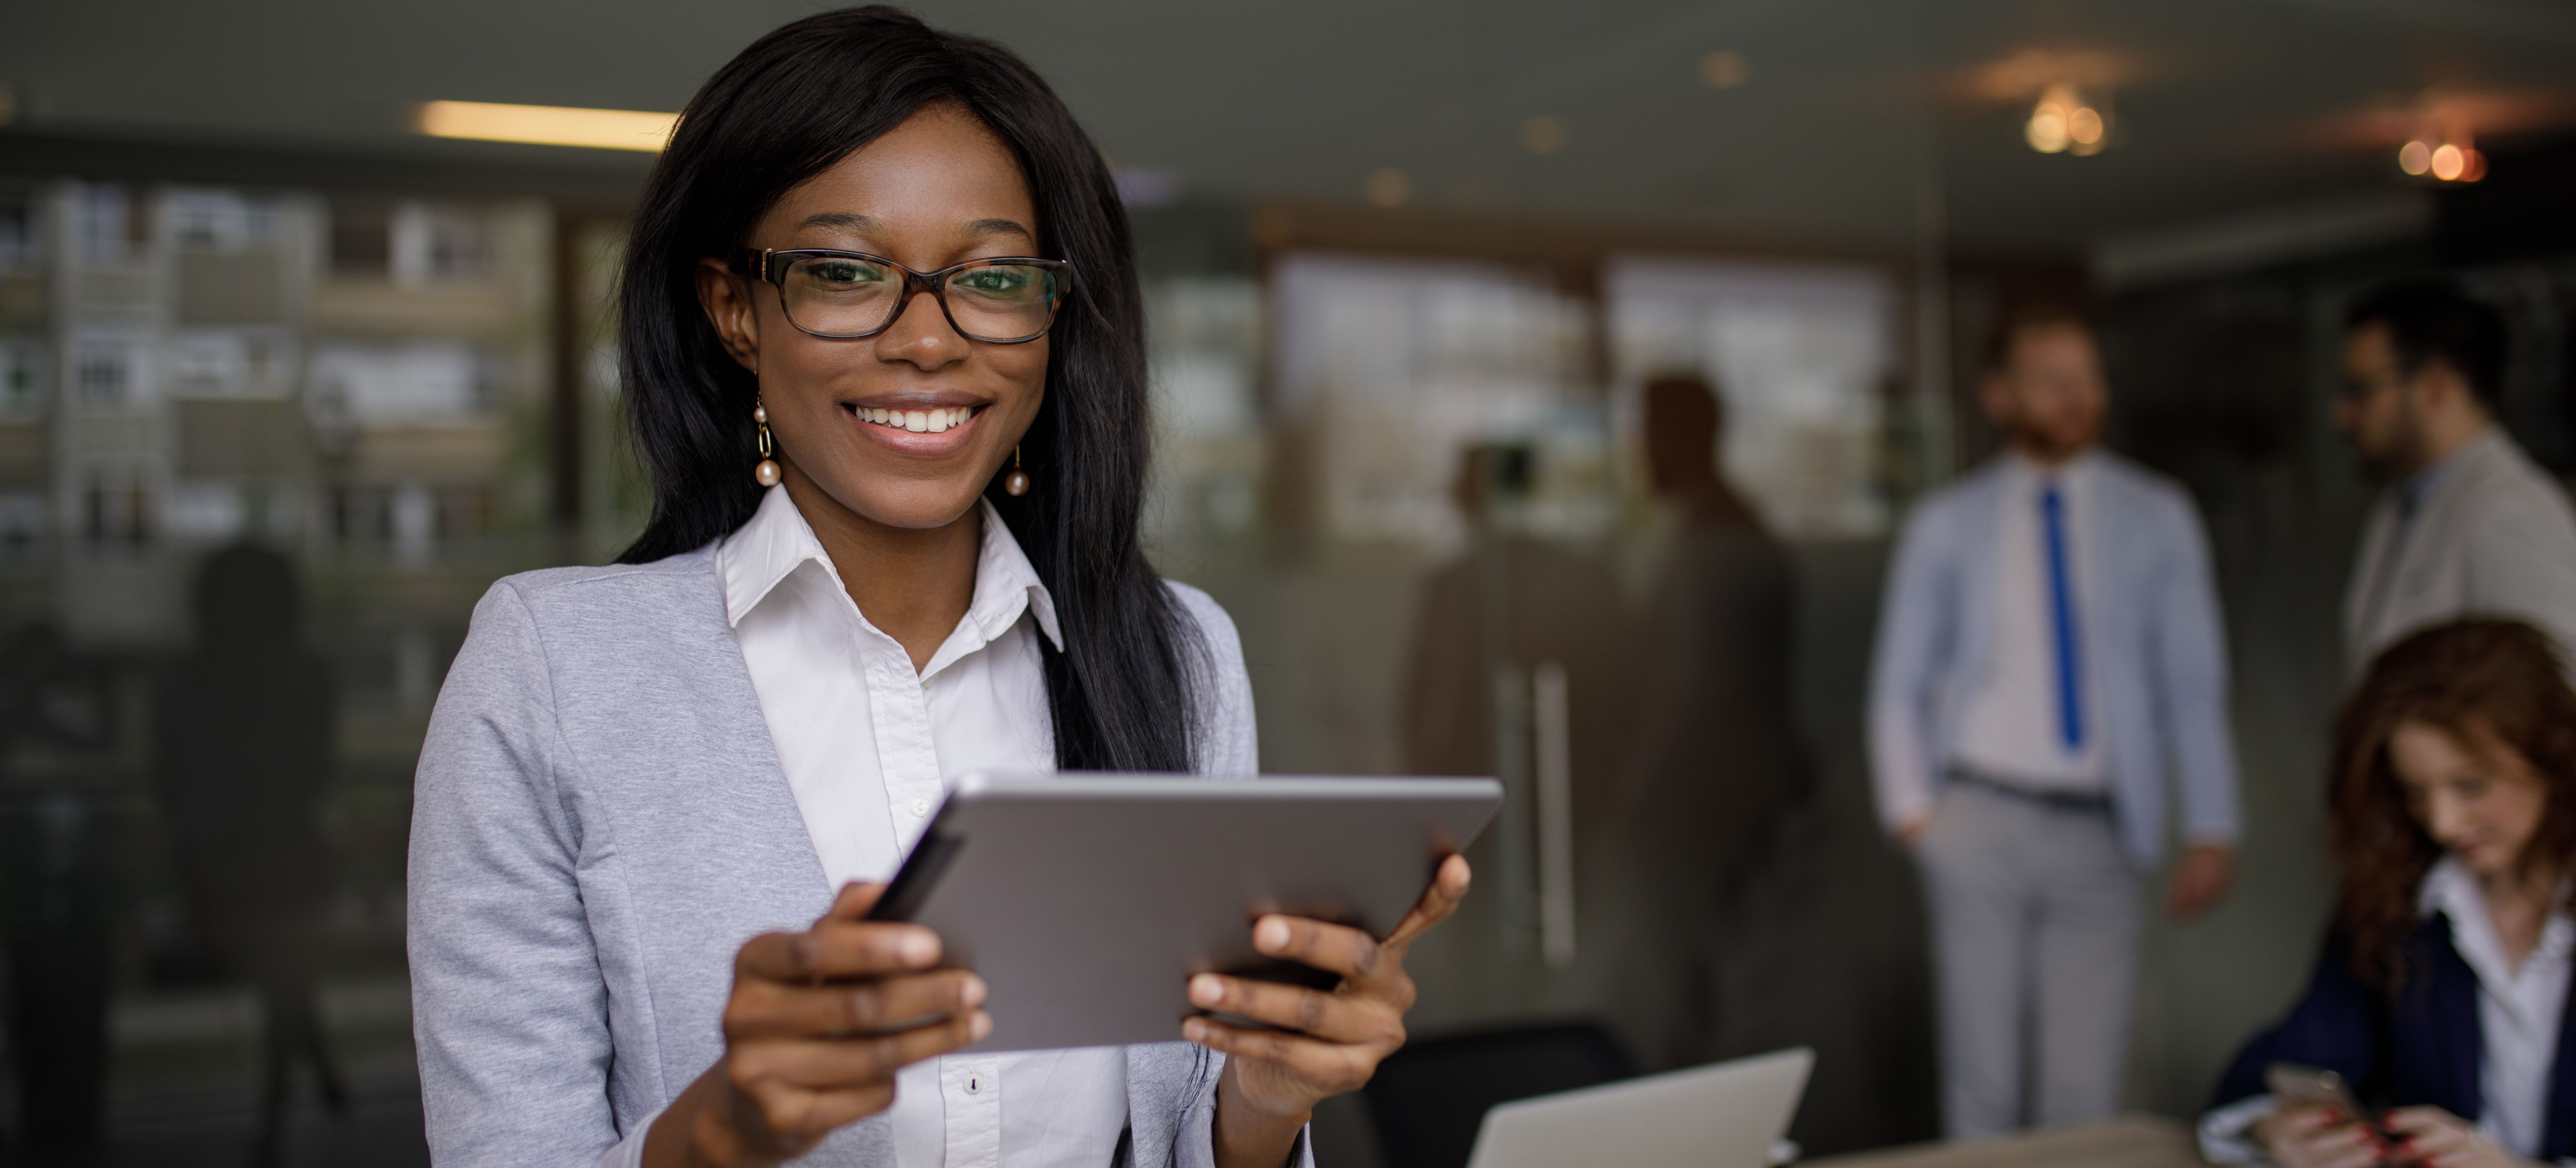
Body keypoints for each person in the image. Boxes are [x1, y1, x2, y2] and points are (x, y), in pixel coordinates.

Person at [405, 10, 1470, 1168]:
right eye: (845, 272)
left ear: (1051, 316)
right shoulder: (554, 670)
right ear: (732, 310)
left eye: (992, 276)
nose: (927, 341)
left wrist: (1265, 1100)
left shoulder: (1173, 651)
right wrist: (724, 1129)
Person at [1868, 303, 2242, 1137]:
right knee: (1983, 1087)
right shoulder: (1948, 522)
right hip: (1979, 814)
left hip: (2103, 829)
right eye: (2053, 382)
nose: (2077, 397)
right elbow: (1898, 682)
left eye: (2088, 379)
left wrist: (2212, 822)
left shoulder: (2159, 514)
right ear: (2000, 397)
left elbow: (2193, 681)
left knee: (2086, 1094)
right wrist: (1913, 815)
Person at [2201, 619, 2576, 1166]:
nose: (2443, 823)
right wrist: (2272, 1127)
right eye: (2415, 793)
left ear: (2554, 759)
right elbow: (2288, 1057)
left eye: (2471, 786)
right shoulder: (2400, 905)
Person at [1597, 373, 1807, 1069]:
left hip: (1703, 809)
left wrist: (1632, 794)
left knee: (1692, 1003)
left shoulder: (1724, 546)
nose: (1639, 450)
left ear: (1687, 436)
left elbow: (1688, 694)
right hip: (1719, 805)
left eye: (1648, 430)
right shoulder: (1713, 532)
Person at [154, 545, 350, 1164]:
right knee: (285, 983)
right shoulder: (305, 677)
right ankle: (313, 1080)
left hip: (226, 857)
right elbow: (316, 770)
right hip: (287, 856)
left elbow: (169, 777)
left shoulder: (188, 681)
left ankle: (294, 1101)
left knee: (282, 985)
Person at [2337, 278, 2576, 673]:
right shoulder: (2397, 511)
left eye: (2358, 390)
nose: (2341, 415)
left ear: (2435, 387)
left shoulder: (2508, 510)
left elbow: (2557, 696)